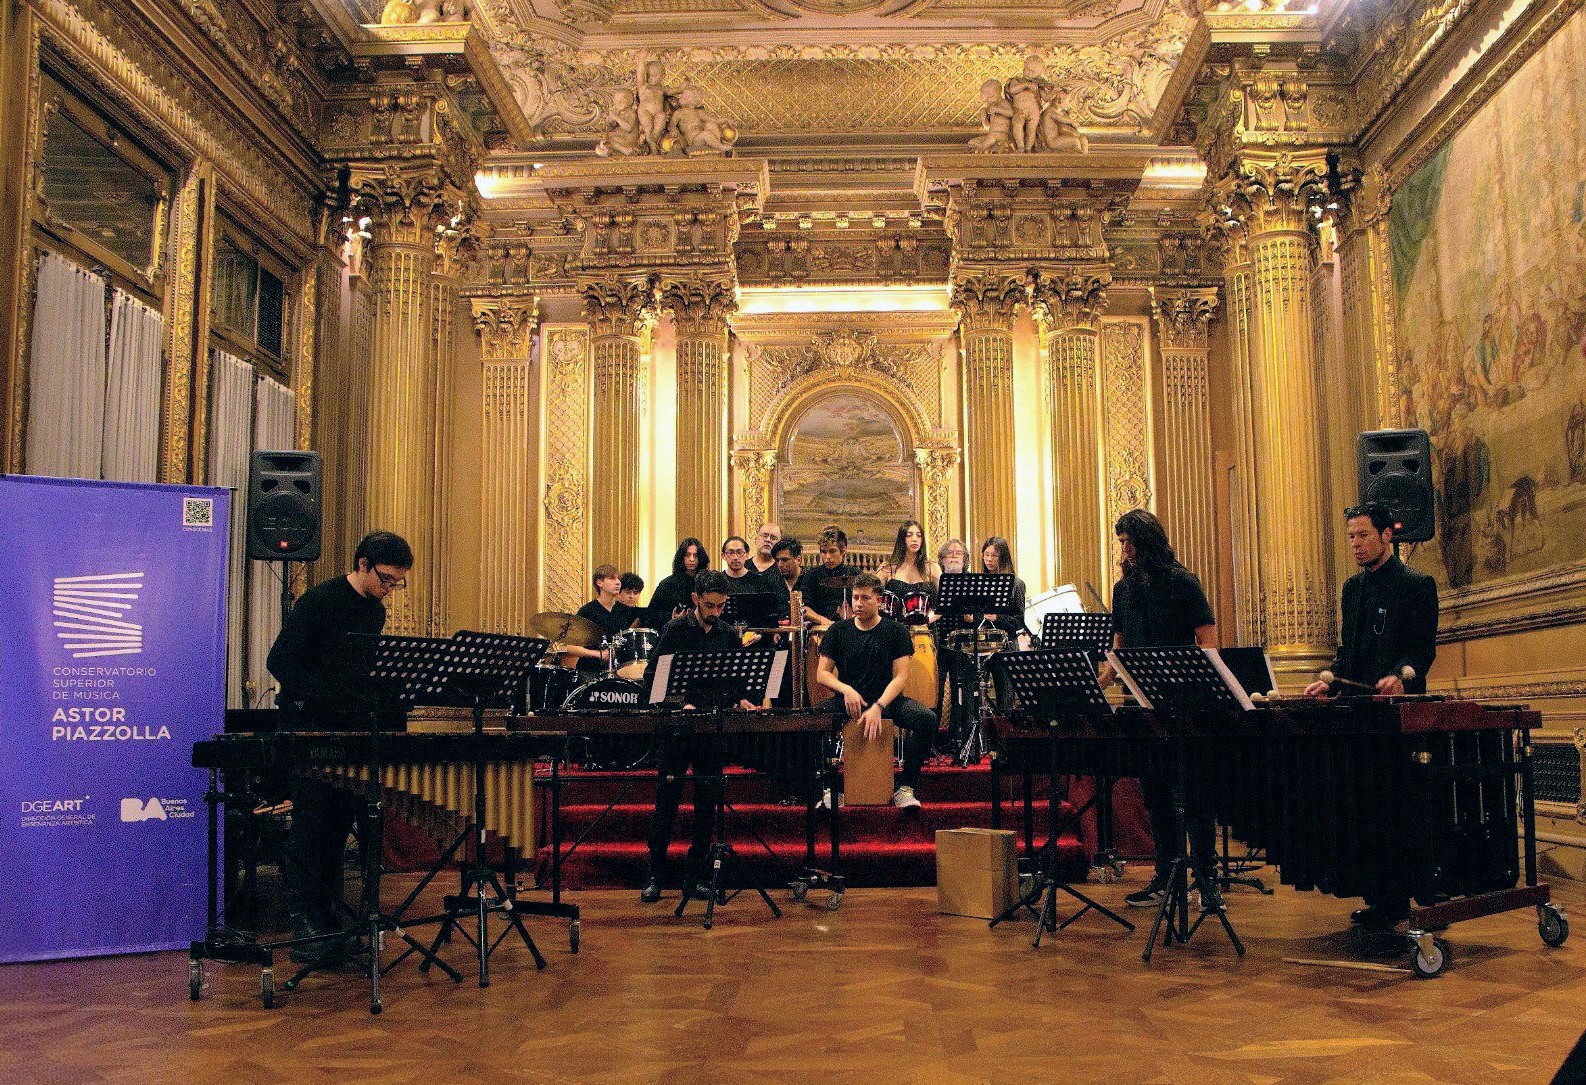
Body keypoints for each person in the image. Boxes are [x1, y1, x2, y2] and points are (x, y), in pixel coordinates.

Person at [266, 530, 413, 961]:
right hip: (310, 727)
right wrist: (322, 696)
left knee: (341, 821)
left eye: (397, 583)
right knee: (314, 824)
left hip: (349, 730)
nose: (390, 589)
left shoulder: (374, 614)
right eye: (386, 579)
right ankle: (305, 920)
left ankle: (331, 917)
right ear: (363, 564)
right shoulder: (318, 601)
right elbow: (280, 661)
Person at [1304, 501, 1439, 929]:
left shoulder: (1417, 584)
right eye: (1351, 537)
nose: (1356, 544)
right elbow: (1348, 654)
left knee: (1398, 807)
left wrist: (1403, 676)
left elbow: (1423, 649)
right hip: (1359, 717)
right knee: (1364, 808)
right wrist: (1333, 680)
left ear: (1386, 536)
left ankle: (1412, 892)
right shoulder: (1352, 589)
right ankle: (1381, 897)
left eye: (1363, 535)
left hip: (1401, 718)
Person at [1092, 510, 1223, 912]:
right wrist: (1102, 677)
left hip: (1186, 705)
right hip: (1144, 706)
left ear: (1148, 542)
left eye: (1130, 542)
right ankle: (1166, 877)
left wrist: (1202, 687)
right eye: (1121, 543)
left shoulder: (1183, 582)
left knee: (1196, 795)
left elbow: (1208, 639)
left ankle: (1207, 881)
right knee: (1156, 795)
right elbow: (1119, 644)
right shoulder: (1123, 588)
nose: (1125, 550)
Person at [638, 571, 758, 902]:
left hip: (710, 730)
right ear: (695, 600)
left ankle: (697, 877)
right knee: (667, 803)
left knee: (707, 805)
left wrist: (741, 698)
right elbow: (651, 679)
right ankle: (655, 876)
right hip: (677, 730)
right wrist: (681, 702)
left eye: (721, 605)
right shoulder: (675, 630)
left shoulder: (727, 633)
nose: (716, 612)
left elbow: (735, 680)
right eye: (710, 605)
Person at [815, 572, 936, 810]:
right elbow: (822, 674)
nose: (858, 603)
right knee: (813, 721)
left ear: (879, 600)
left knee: (927, 719)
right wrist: (846, 689)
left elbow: (900, 677)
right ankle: (831, 789)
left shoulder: (897, 631)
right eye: (855, 598)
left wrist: (879, 706)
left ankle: (906, 787)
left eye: (865, 598)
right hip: (850, 700)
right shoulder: (838, 631)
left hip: (888, 700)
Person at [568, 564, 638, 674]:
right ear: (599, 583)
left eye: (618, 579)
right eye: (612, 578)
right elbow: (571, 647)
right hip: (590, 670)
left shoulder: (626, 611)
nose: (618, 582)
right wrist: (599, 654)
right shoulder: (587, 611)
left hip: (619, 671)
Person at [795, 526, 857, 628]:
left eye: (832, 551)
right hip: (819, 628)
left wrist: (852, 617)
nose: (827, 557)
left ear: (844, 550)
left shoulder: (856, 574)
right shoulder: (812, 575)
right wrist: (823, 620)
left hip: (849, 628)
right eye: (823, 552)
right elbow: (804, 609)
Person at [644, 537, 707, 630]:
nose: (691, 559)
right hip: (672, 633)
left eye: (695, 556)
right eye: (687, 555)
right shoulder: (667, 584)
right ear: (681, 557)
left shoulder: (705, 583)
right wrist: (672, 618)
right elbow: (651, 614)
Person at [978, 536, 1028, 638]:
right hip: (982, 643)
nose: (989, 559)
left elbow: (1019, 621)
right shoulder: (978, 583)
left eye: (994, 555)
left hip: (1007, 643)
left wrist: (997, 618)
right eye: (986, 555)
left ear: (1003, 558)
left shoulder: (1016, 584)